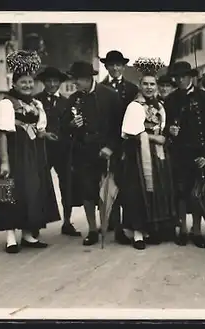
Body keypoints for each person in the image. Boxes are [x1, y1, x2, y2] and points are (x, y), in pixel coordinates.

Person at [0, 50, 61, 253]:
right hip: (14, 153)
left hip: (33, 154)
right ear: (14, 84)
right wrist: (4, 162)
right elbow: (2, 134)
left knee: (31, 192)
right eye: (23, 82)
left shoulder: (35, 104)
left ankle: (27, 235)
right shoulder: (7, 104)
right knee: (12, 192)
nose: (28, 86)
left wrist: (46, 135)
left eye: (30, 82)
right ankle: (10, 238)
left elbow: (38, 129)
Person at [118, 57, 177, 250]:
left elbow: (162, 128)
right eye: (146, 84)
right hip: (138, 154)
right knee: (137, 191)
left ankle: (151, 228)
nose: (149, 87)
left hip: (157, 154)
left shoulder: (160, 106)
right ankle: (136, 232)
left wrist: (164, 137)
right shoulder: (134, 106)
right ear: (139, 85)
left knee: (155, 190)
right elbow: (131, 132)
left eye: (152, 84)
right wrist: (155, 139)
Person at [63, 61, 123, 246]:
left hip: (106, 151)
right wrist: (72, 126)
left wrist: (111, 147)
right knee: (87, 192)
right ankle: (92, 230)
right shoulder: (73, 99)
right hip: (84, 153)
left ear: (88, 78)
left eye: (77, 79)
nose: (74, 83)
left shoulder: (110, 95)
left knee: (109, 190)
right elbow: (64, 126)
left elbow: (119, 126)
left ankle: (111, 227)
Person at [165, 61, 205, 248]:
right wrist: (169, 130)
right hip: (179, 152)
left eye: (184, 76)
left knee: (196, 193)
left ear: (191, 77)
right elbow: (165, 124)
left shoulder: (204, 99)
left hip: (198, 152)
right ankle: (183, 229)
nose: (180, 80)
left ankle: (197, 230)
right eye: (177, 77)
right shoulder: (170, 99)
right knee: (180, 191)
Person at [34, 66, 81, 237]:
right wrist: (44, 134)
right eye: (48, 81)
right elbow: (30, 125)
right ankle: (35, 224)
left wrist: (72, 126)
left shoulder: (67, 102)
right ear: (43, 82)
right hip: (42, 149)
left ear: (60, 83)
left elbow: (69, 126)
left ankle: (67, 222)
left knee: (67, 184)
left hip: (63, 149)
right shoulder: (35, 101)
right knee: (39, 185)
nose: (52, 84)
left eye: (55, 81)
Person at [99, 50, 139, 233]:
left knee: (128, 182)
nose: (115, 68)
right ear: (106, 67)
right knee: (109, 180)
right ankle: (113, 222)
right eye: (111, 65)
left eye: (118, 65)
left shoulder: (132, 89)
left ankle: (128, 222)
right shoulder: (100, 88)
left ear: (123, 67)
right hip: (108, 141)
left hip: (128, 142)